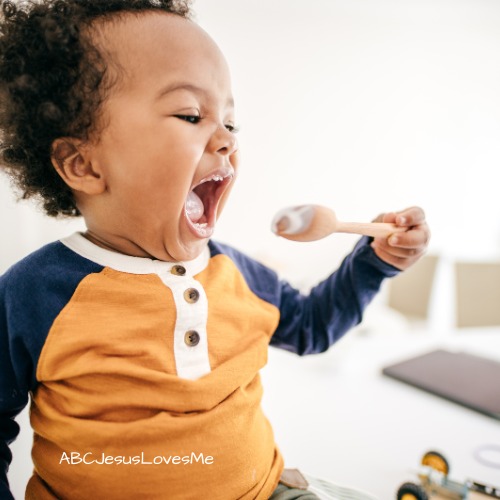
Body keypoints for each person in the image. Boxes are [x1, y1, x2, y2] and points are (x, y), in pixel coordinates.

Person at [0, 1, 430, 499]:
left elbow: (313, 327)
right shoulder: (35, 293)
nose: (226, 139)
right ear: (83, 164)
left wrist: (373, 263)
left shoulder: (235, 273)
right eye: (190, 114)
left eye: (231, 123)